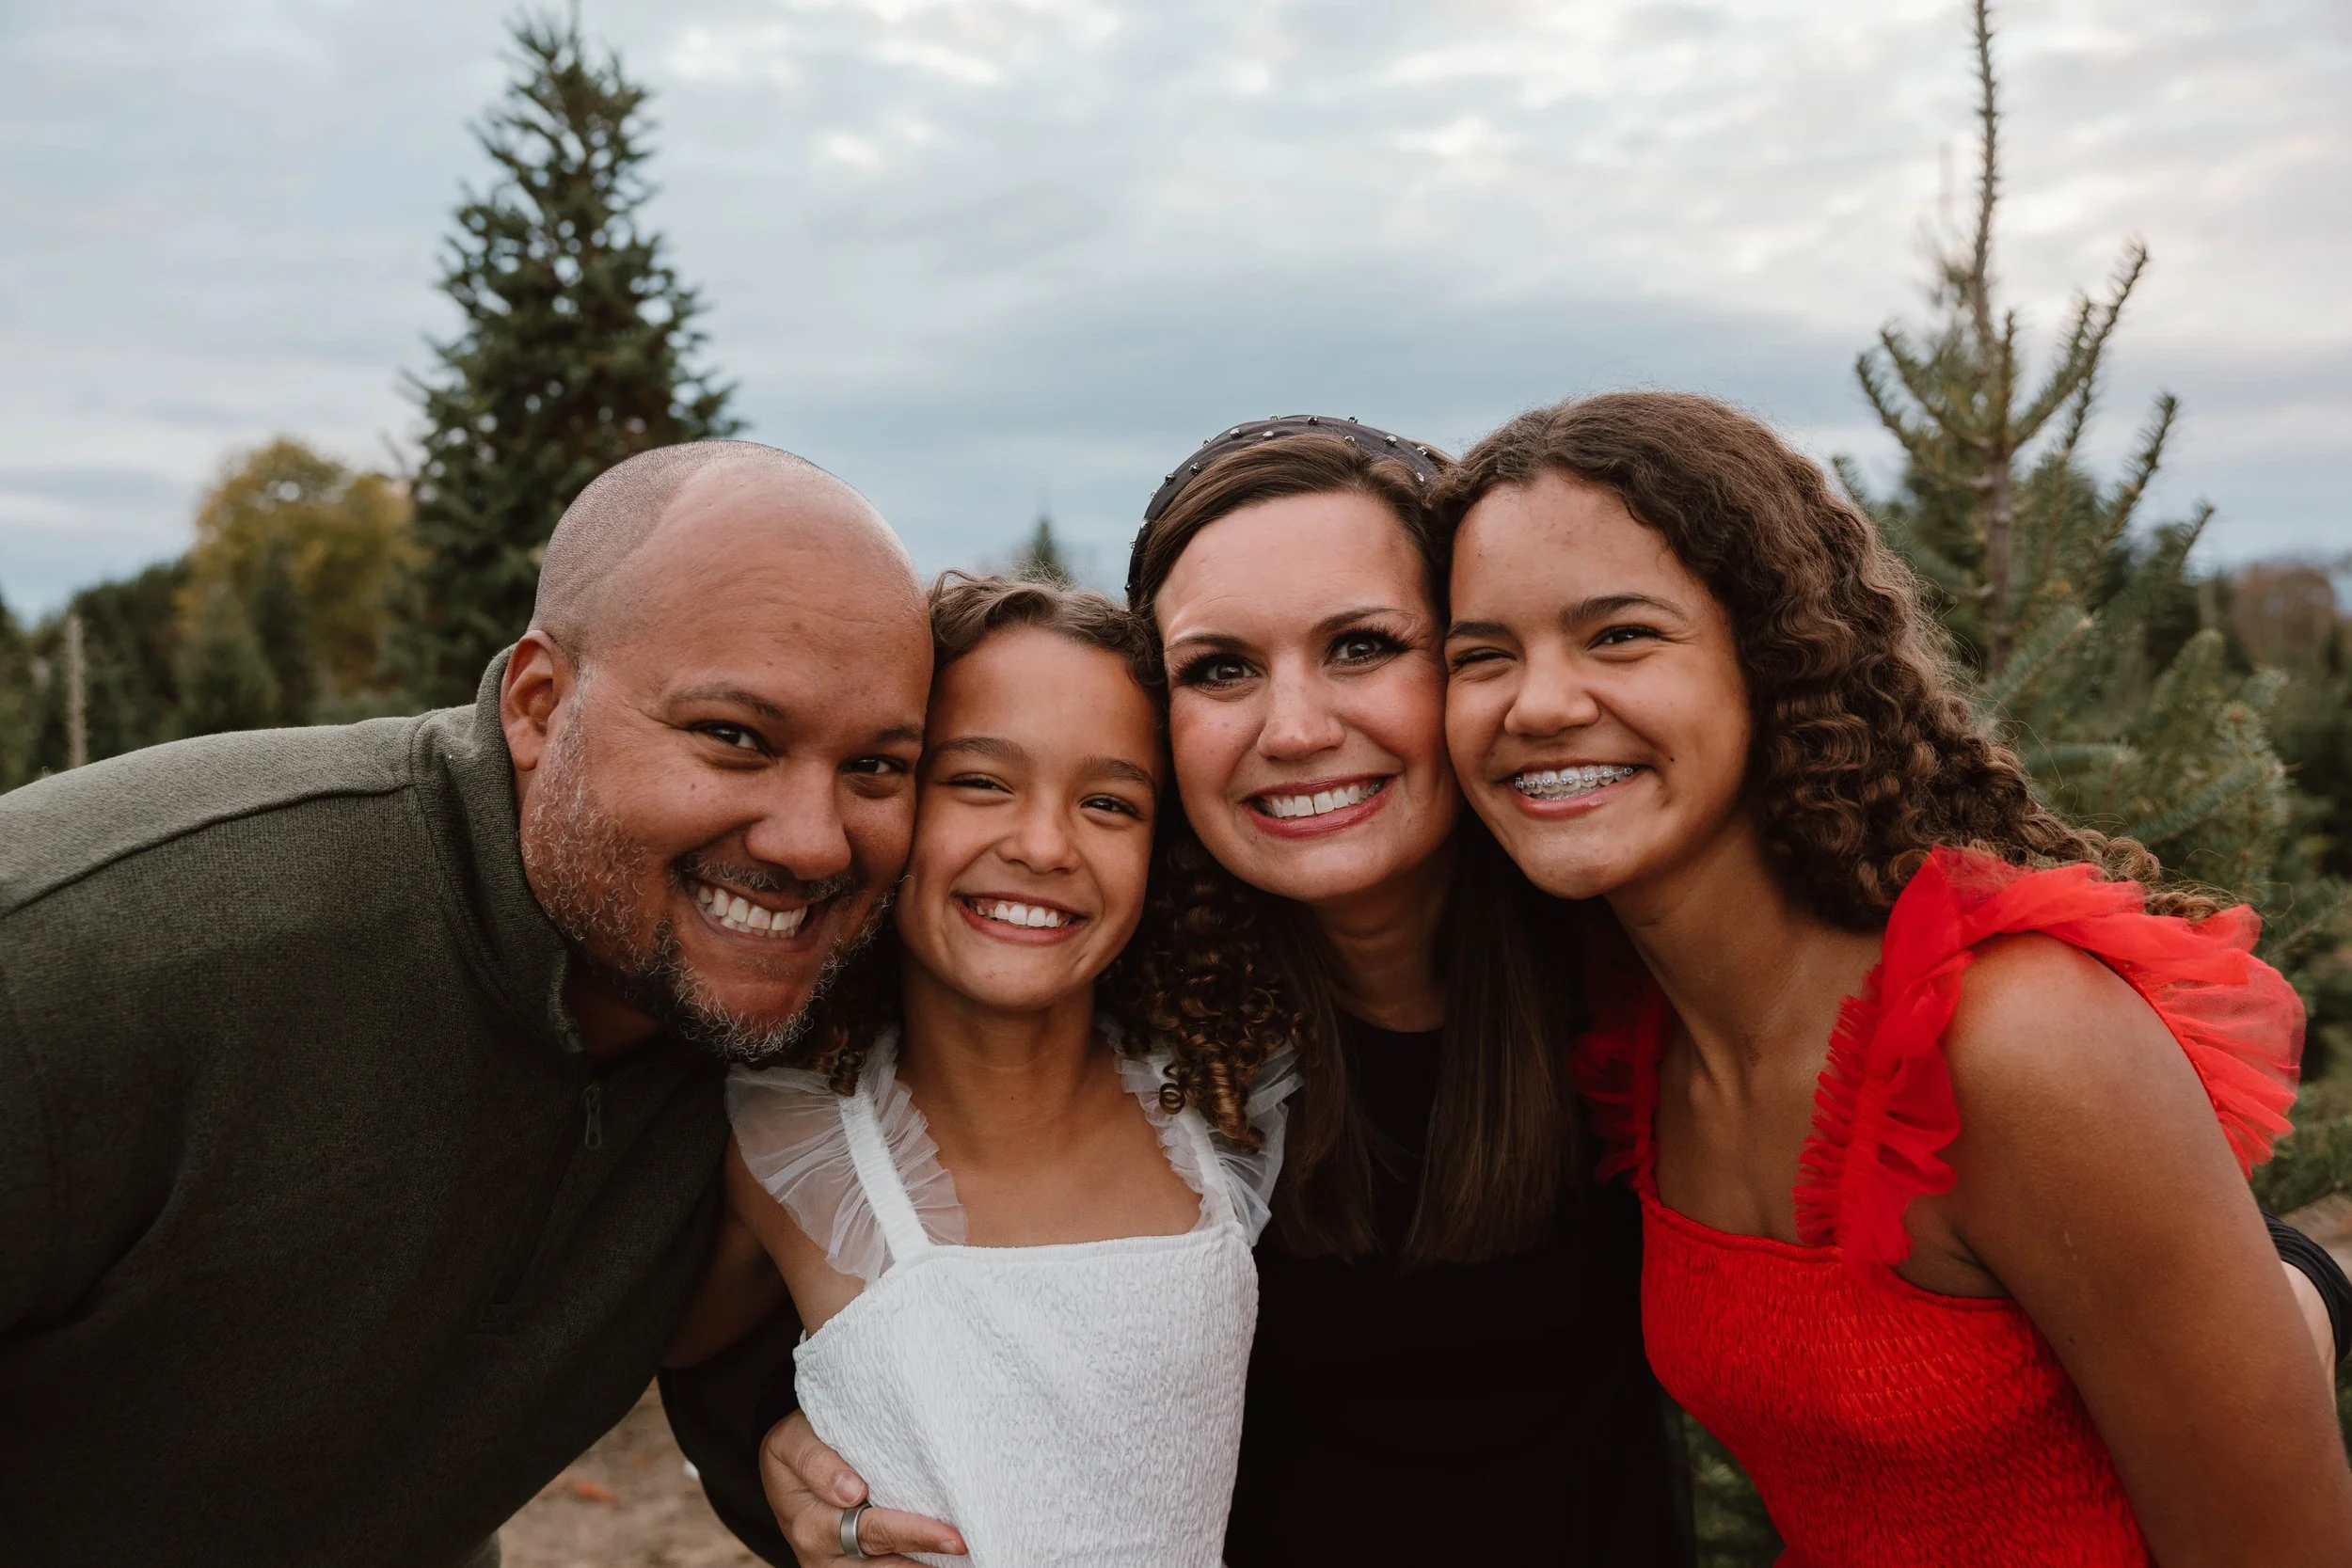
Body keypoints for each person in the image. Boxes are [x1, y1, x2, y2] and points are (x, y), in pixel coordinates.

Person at [672, 420, 1693, 1565]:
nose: (1297, 727)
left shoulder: (1631, 972)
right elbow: (802, 1341)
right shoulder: (1173, 1030)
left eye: (1361, 644)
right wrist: (798, 1465)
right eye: (1221, 667)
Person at [1436, 391, 2352, 1564]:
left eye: (1620, 634)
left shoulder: (2013, 1036)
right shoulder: (1640, 1045)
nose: (1541, 703)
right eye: (1483, 655)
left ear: (1771, 662)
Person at [0, 440, 932, 1567]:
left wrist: (777, 1440)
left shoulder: (812, 1026)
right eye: (735, 737)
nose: (813, 838)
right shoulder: (91, 959)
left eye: (879, 768)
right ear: (540, 703)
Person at [662, 574, 1297, 1566]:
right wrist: (773, 1444)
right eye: (981, 782)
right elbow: (678, 1358)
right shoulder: (779, 1142)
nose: (1043, 844)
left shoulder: (1231, 1105)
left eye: (1108, 801)